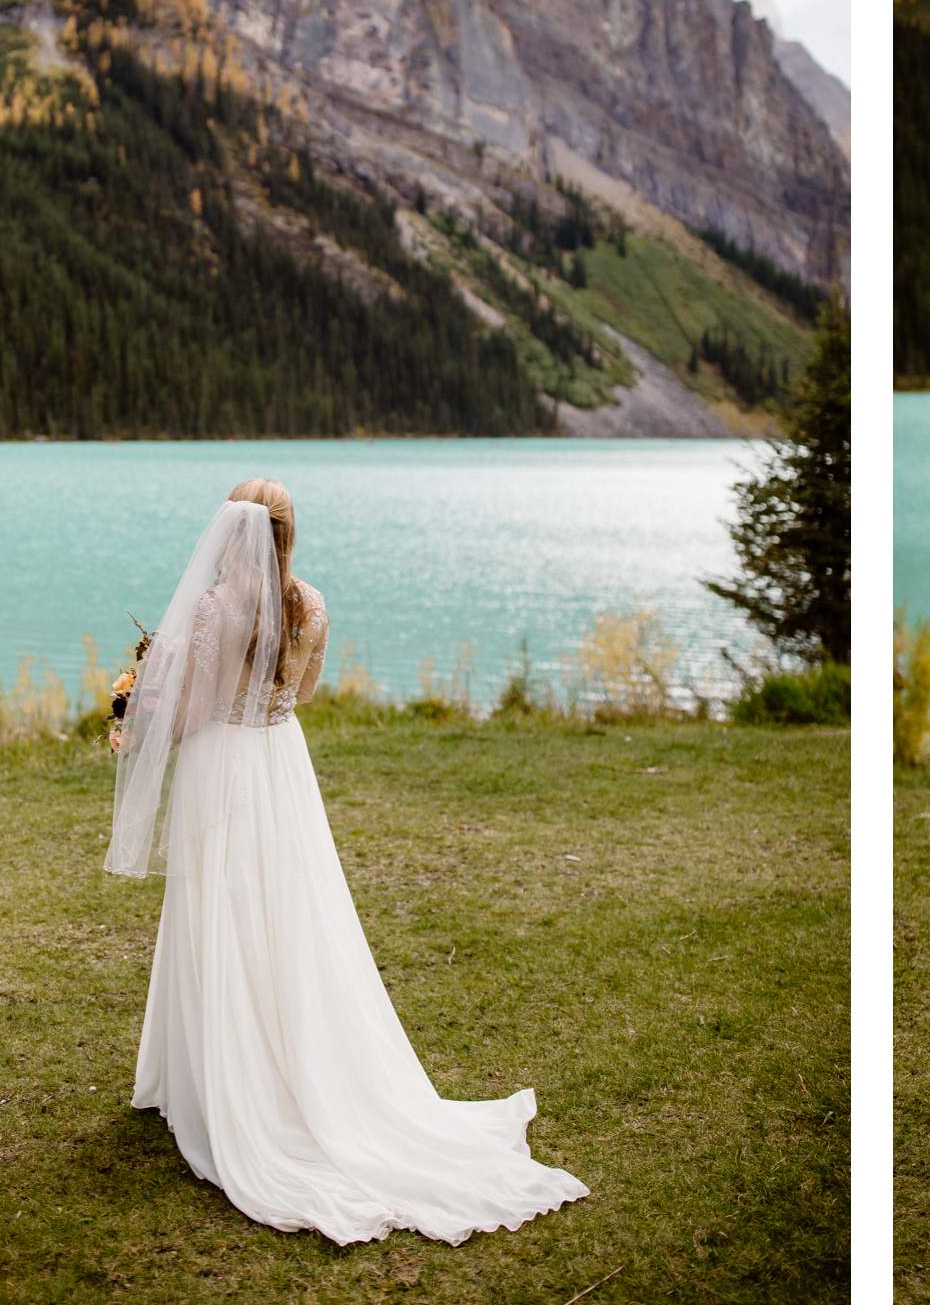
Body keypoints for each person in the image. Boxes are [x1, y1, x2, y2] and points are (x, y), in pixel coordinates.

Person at [106, 478, 586, 1242]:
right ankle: (284, 1064)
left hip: (221, 767)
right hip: (280, 765)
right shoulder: (313, 605)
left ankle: (219, 1084)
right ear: (289, 533)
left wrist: (142, 715)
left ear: (233, 537)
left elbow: (194, 707)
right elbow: (306, 692)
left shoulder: (213, 608)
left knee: (217, 908)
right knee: (290, 911)